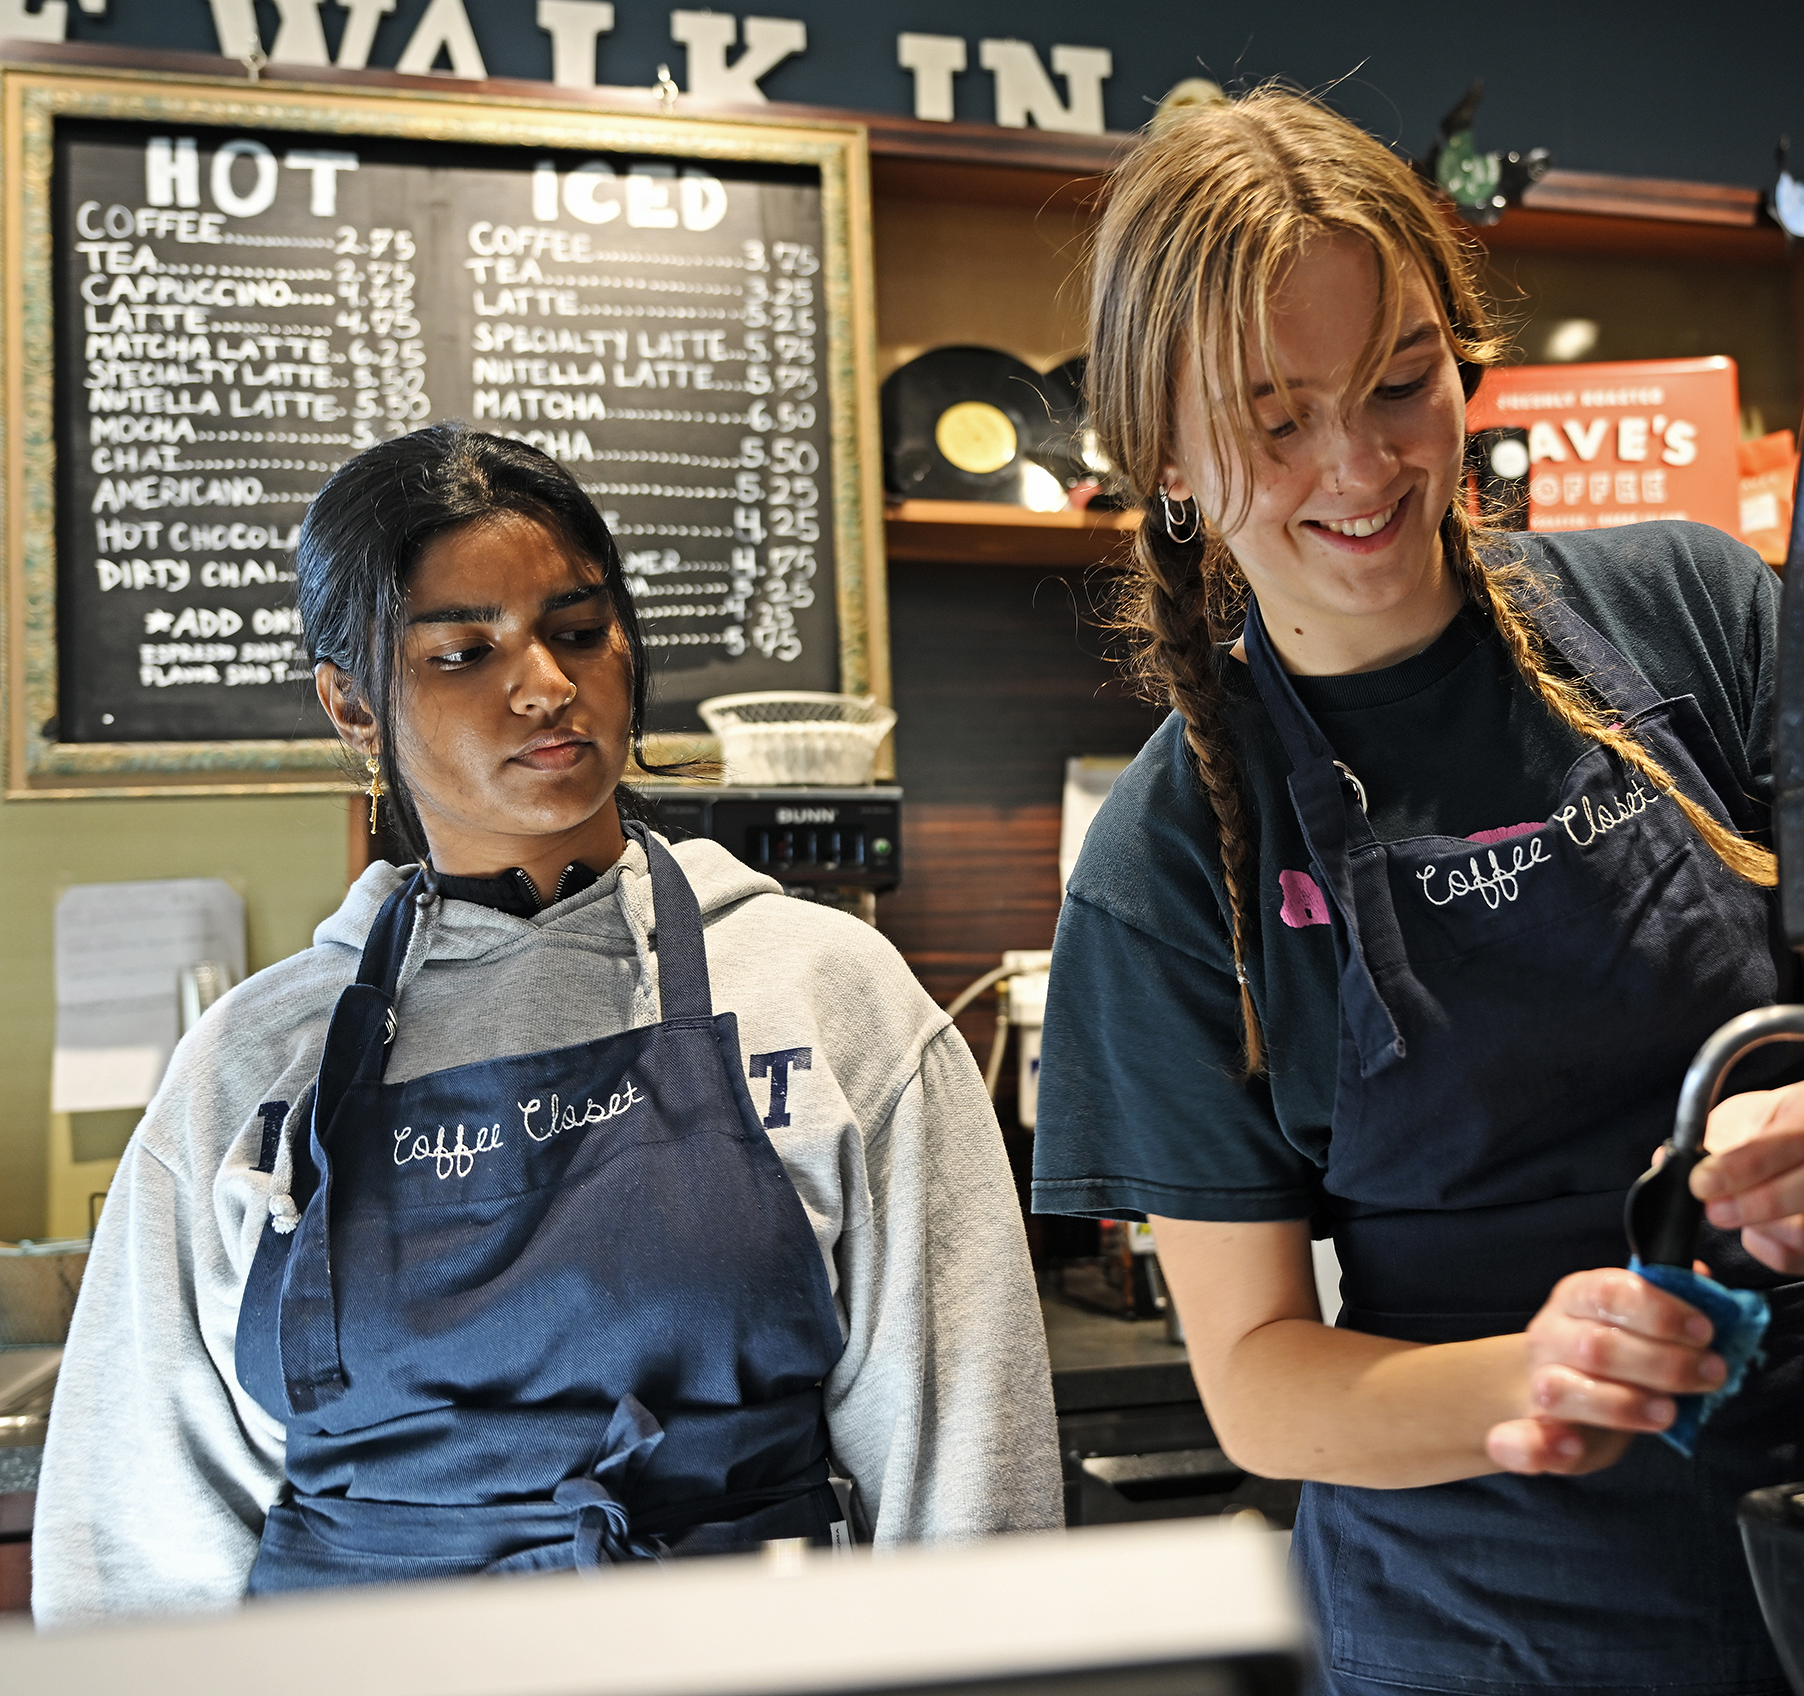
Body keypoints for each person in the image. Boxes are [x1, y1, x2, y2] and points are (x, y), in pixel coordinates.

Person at [1032, 91, 1804, 1695]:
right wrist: (1534, 1375)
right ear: (1164, 460)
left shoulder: (1696, 615)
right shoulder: (1170, 859)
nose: (1361, 465)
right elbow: (1258, 1379)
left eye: (1402, 384)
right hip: (1488, 1627)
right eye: (1273, 421)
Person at [36, 426, 1061, 1621]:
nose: (546, 685)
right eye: (464, 651)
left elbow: (971, 1470)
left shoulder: (828, 993)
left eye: (578, 631)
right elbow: (137, 1544)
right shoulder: (251, 1068)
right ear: (354, 704)